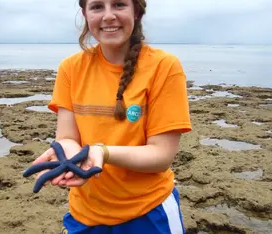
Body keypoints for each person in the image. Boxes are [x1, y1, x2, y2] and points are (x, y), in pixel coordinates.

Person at [32, 0, 191, 233]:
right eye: (97, 7)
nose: (108, 16)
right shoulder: (70, 68)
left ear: (135, 11)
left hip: (149, 212)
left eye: (118, 5)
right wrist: (69, 154)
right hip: (84, 214)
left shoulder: (164, 67)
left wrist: (102, 152)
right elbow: (67, 138)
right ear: (85, 14)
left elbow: (161, 156)